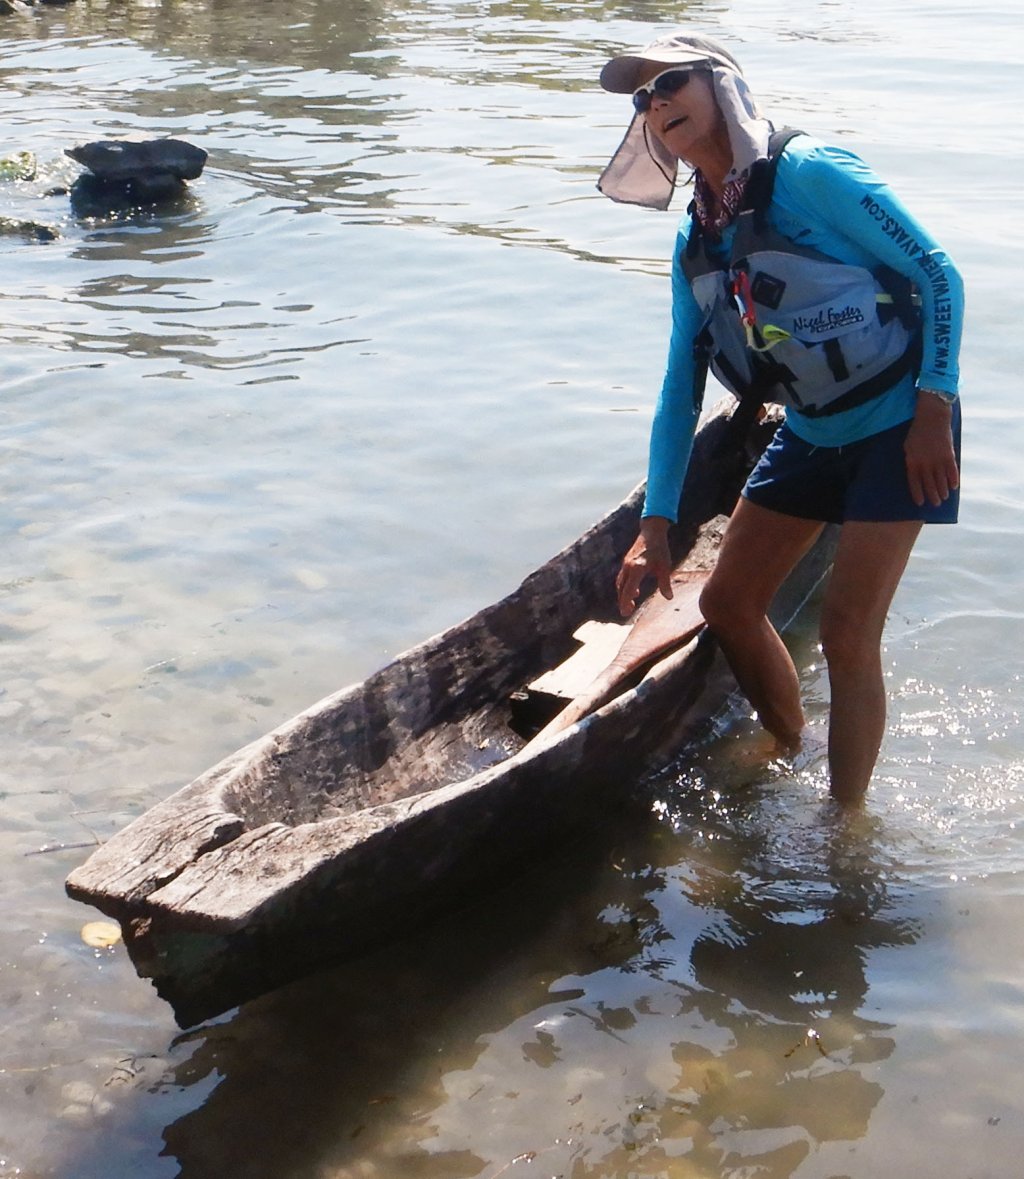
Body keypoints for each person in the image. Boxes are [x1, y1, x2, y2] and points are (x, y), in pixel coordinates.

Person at [598, 32, 963, 803]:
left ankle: (845, 821)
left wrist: (935, 406)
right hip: (809, 428)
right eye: (641, 97)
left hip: (900, 422)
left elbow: (938, 272)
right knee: (728, 603)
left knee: (845, 630)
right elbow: (680, 381)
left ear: (721, 87)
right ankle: (787, 739)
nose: (655, 102)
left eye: (669, 81)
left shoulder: (811, 174)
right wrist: (657, 521)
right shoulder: (696, 239)